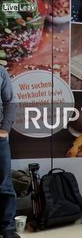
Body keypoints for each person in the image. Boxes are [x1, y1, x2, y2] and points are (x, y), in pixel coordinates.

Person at [0, 66, 19, 238]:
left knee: (4, 185)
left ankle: (7, 228)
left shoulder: (0, 71)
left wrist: (4, 130)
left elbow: (10, 101)